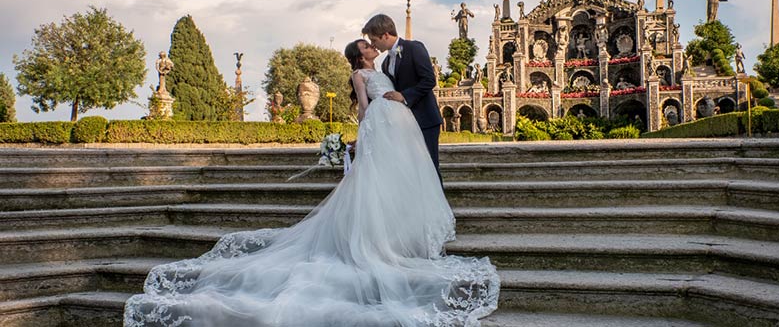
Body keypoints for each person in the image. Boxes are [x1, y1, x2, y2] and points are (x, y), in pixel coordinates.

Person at [123, 38, 500, 327]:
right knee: (374, 188)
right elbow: (365, 109)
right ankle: (378, 242)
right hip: (382, 128)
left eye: (370, 41)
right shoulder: (360, 73)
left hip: (399, 128)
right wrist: (363, 137)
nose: (370, 45)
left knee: (397, 182)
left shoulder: (386, 63)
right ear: (360, 54)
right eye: (365, 44)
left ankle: (403, 234)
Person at [363, 13, 444, 181]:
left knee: (429, 168)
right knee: (411, 170)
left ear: (385, 35)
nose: (373, 44)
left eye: (374, 40)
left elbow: (429, 80)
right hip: (404, 124)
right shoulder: (385, 63)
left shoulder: (414, 48)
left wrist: (404, 96)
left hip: (425, 119)